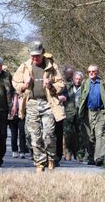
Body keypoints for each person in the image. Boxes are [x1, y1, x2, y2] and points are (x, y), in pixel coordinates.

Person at [13, 41, 66, 173]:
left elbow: (61, 84)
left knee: (48, 134)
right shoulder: (25, 66)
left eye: (37, 55)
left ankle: (51, 158)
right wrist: (25, 85)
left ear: (42, 54)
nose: (34, 58)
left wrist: (51, 86)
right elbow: (15, 82)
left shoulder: (51, 66)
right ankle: (40, 162)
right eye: (32, 56)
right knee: (34, 136)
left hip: (48, 103)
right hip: (31, 103)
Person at [77, 64, 105, 166]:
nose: (91, 73)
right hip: (88, 112)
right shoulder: (85, 83)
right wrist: (79, 113)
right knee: (89, 136)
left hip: (101, 113)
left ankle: (99, 158)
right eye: (89, 72)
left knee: (100, 135)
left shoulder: (103, 83)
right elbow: (81, 98)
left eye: (93, 71)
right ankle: (91, 157)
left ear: (97, 72)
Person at [63, 70, 85, 161]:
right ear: (73, 79)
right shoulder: (67, 87)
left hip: (80, 114)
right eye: (76, 79)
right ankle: (68, 153)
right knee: (68, 135)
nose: (78, 81)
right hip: (68, 114)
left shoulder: (84, 88)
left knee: (80, 135)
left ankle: (80, 155)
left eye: (79, 79)